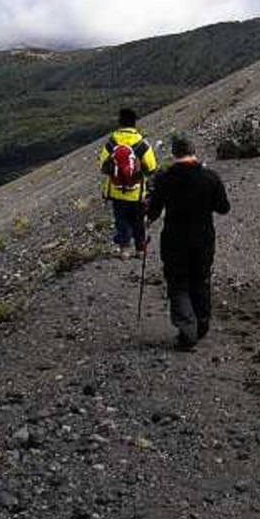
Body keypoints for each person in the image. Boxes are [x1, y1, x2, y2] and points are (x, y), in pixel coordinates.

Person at [146, 133, 230, 351]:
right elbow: (223, 208)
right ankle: (201, 324)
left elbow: (153, 210)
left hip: (174, 239)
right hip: (203, 239)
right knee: (200, 280)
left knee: (178, 283)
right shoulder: (210, 177)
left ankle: (187, 330)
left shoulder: (165, 178)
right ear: (195, 152)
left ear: (174, 154)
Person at [99, 107, 158, 258]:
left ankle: (125, 249)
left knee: (121, 220)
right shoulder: (141, 144)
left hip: (116, 191)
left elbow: (102, 165)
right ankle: (140, 249)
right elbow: (152, 167)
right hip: (136, 192)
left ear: (120, 122)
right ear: (134, 123)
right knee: (138, 221)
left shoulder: (111, 143)